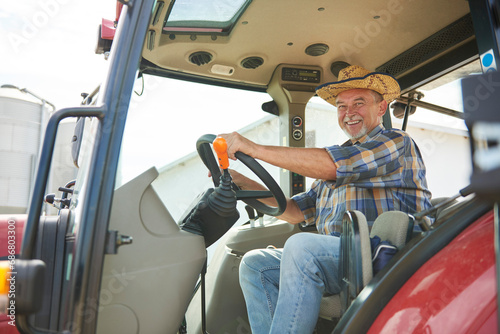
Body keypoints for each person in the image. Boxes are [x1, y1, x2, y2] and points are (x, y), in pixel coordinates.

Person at [218, 65, 432, 333]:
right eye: (342, 106)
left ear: (381, 108)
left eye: (359, 102)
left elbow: (336, 166)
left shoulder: (395, 142)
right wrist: (242, 183)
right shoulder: (335, 161)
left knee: (302, 247)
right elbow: (296, 210)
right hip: (341, 259)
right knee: (255, 263)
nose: (349, 112)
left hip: (385, 258)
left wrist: (253, 148)